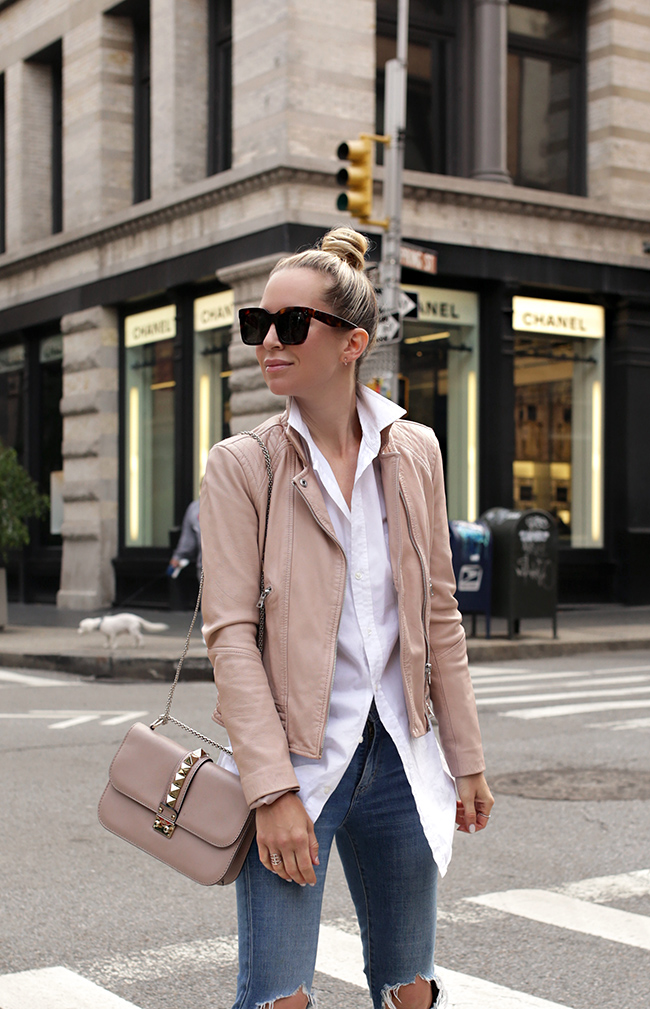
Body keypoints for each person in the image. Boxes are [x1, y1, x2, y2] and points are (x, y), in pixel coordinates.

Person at [199, 227, 494, 1009]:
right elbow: (229, 635)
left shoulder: (416, 451)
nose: (268, 340)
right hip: (298, 763)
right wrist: (270, 790)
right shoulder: (243, 464)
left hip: (401, 754)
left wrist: (465, 756)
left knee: (410, 989)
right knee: (281, 996)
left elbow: (438, 612)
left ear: (351, 342)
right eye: (257, 322)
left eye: (292, 324)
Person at [167, 498, 201, 578]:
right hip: (207, 570)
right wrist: (178, 557)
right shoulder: (196, 508)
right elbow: (188, 543)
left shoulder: (196, 507)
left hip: (230, 569)